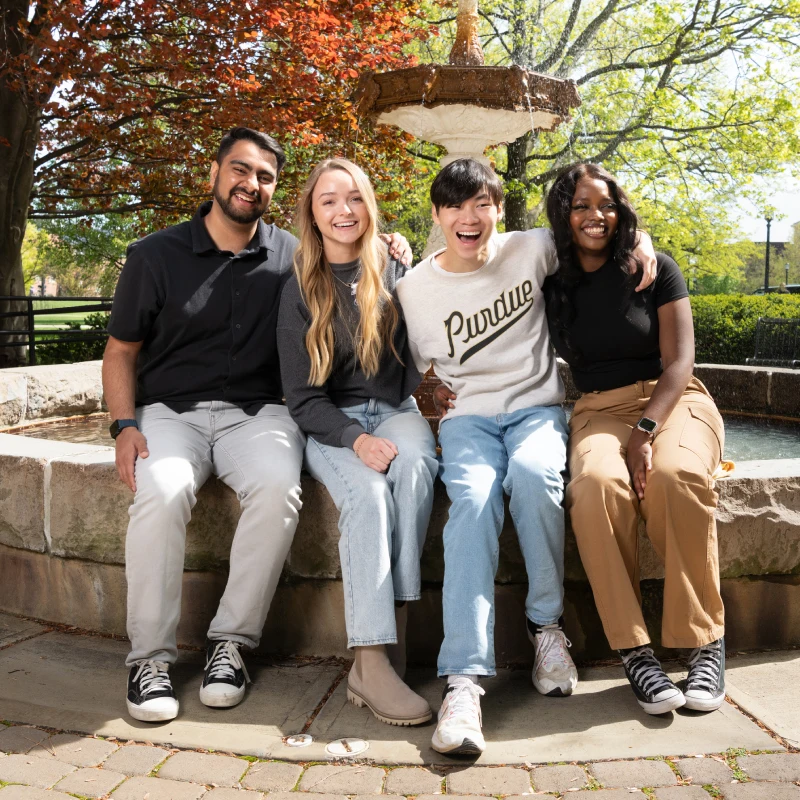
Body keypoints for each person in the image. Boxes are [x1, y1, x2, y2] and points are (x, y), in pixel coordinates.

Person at [104, 129, 410, 723]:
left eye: (265, 177)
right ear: (214, 175)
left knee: (277, 488)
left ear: (274, 189)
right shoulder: (155, 255)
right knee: (161, 490)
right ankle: (150, 659)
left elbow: (348, 249)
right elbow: (120, 351)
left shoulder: (292, 254)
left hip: (260, 414)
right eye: (240, 170)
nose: (251, 184)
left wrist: (390, 242)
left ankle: (231, 645)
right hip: (169, 413)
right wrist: (123, 424)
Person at [396, 158, 655, 757]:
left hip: (536, 410)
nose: (469, 218)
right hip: (467, 421)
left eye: (481, 204)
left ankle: (546, 627)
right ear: (437, 215)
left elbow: (597, 230)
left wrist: (640, 238)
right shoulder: (412, 289)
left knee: (538, 477)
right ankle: (464, 680)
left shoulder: (532, 248)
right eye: (455, 206)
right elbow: (402, 368)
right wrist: (427, 395)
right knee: (473, 500)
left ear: (497, 209)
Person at [543, 162, 726, 716]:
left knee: (676, 476)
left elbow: (680, 362)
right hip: (599, 408)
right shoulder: (552, 280)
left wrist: (645, 433)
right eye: (580, 206)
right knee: (595, 486)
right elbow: (481, 251)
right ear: (563, 215)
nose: (595, 216)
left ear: (621, 211)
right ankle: (635, 652)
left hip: (674, 399)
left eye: (606, 204)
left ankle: (704, 643)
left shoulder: (654, 268)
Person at [277, 158, 437, 727]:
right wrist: (355, 440)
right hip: (332, 421)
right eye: (328, 200)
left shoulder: (395, 270)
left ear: (369, 206)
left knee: (415, 466)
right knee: (367, 497)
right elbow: (301, 398)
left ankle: (396, 630)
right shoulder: (298, 288)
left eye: (354, 198)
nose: (343, 210)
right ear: (312, 214)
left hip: (396, 410)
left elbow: (417, 356)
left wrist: (404, 270)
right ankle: (369, 663)